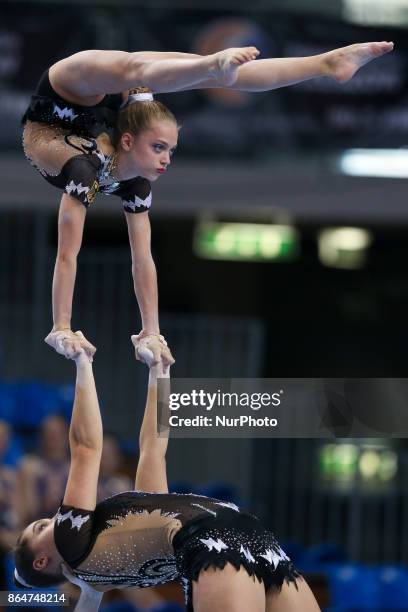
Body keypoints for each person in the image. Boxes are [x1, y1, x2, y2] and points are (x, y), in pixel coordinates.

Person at [22, 43, 393, 366]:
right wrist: (62, 326)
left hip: (83, 108)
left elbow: (143, 260)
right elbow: (68, 254)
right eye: (159, 148)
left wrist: (151, 331)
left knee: (202, 71)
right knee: (152, 69)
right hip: (61, 103)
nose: (168, 159)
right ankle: (216, 65)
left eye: (171, 149)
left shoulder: (128, 179)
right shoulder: (86, 170)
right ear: (131, 141)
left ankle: (326, 64)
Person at [13, 332, 320, 611]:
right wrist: (83, 363)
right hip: (227, 538)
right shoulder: (70, 545)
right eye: (41, 527)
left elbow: (152, 451)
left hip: (245, 539)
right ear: (42, 561)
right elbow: (84, 449)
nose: (54, 517)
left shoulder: (121, 554)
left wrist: (159, 374)